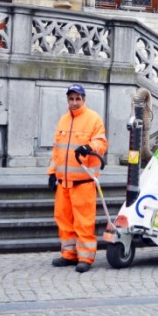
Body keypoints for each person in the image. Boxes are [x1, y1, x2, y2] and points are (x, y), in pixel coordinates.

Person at [47, 84, 107, 273]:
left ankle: (85, 258)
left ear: (84, 99)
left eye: (77, 99)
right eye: (71, 99)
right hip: (63, 182)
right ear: (68, 100)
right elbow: (57, 150)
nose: (74, 102)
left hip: (83, 182)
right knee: (63, 220)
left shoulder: (93, 118)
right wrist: (51, 173)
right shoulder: (63, 120)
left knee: (83, 222)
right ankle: (69, 255)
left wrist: (89, 147)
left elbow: (101, 142)